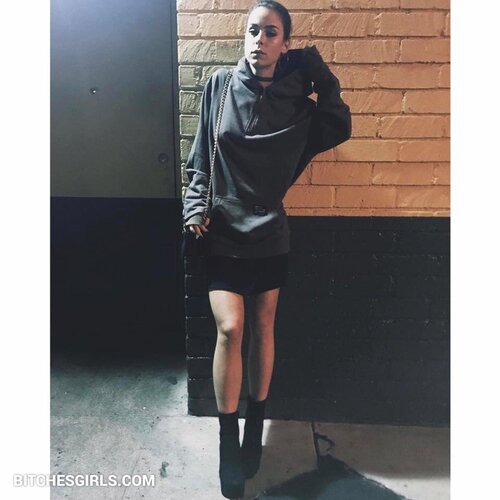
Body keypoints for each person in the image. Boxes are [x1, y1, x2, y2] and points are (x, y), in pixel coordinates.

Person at [182, 1, 351, 497]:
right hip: (221, 229)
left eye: (271, 32)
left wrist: (318, 71)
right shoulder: (219, 86)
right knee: (231, 329)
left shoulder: (299, 104)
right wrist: (193, 207)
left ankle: (256, 423)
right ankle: (227, 439)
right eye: (253, 30)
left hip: (270, 231)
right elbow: (199, 158)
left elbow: (339, 124)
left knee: (262, 327)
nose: (260, 40)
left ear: (285, 44)